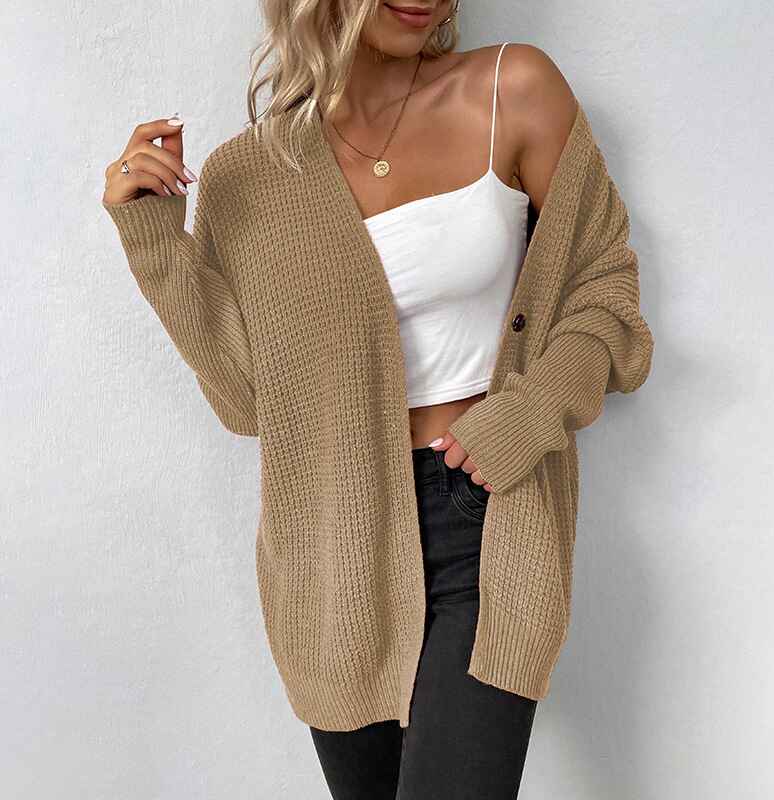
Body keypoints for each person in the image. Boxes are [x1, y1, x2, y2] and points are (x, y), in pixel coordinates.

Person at [102, 2, 654, 798]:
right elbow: (249, 402)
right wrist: (156, 242)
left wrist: (531, 412)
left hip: (486, 512)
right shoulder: (248, 175)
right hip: (332, 545)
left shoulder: (514, 88)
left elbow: (603, 290)